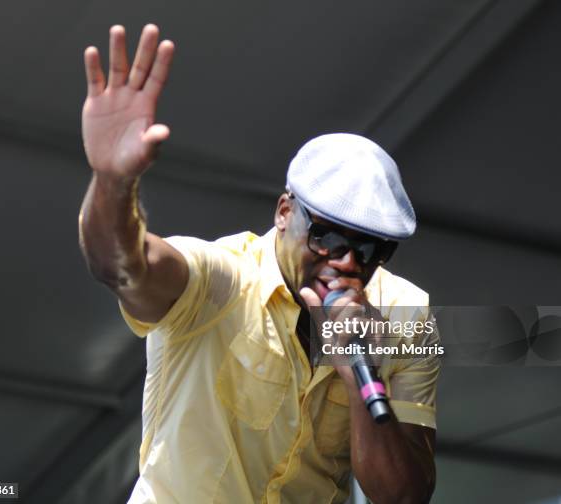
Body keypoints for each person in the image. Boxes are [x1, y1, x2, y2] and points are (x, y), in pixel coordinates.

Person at [79, 24, 440, 504]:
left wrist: (360, 376)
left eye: (373, 249)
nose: (348, 261)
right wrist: (112, 182)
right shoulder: (219, 277)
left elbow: (404, 497)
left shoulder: (405, 316)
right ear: (284, 211)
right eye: (327, 236)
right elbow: (120, 265)